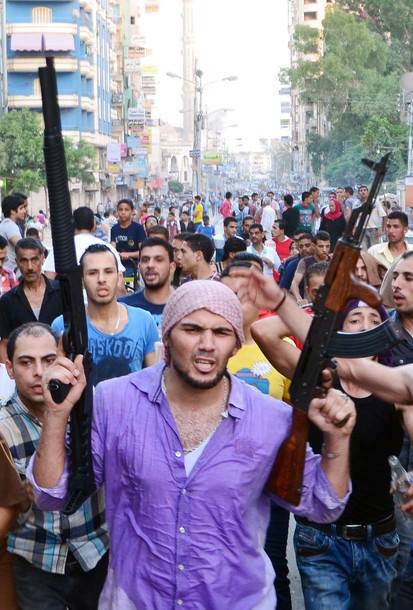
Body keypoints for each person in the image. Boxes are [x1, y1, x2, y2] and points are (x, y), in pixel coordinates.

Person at [29, 279, 355, 609]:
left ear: (236, 345)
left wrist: (338, 438)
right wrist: (56, 414)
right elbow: (51, 494)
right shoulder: (115, 402)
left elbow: (323, 504)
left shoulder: (269, 419)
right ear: (168, 337)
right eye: (192, 329)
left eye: (221, 332)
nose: (207, 344)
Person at [0, 322, 109, 610]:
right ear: (10, 368)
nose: (39, 372)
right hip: (36, 559)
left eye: (48, 360)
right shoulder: (2, 428)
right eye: (26, 362)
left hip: (94, 552)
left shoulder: (92, 412)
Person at [221, 264, 293, 609]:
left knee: (274, 565)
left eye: (242, 295)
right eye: (227, 294)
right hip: (219, 480)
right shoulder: (206, 350)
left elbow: (294, 409)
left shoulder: (278, 347)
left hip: (270, 478)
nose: (234, 303)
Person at [52, 244, 158, 386]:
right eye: (92, 273)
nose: (101, 279)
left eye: (108, 271)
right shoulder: (64, 325)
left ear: (119, 277)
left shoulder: (144, 321)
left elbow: (154, 382)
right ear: (81, 280)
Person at [0, 238, 62, 360]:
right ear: (17, 262)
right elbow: (5, 343)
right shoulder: (8, 301)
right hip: (24, 366)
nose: (29, 267)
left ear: (42, 258)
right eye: (24, 261)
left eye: (34, 260)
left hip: (58, 364)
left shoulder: (61, 292)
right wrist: (8, 370)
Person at [44, 206, 124, 279]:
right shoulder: (108, 248)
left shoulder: (60, 249)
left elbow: (49, 278)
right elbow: (119, 282)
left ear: (72, 225)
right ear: (94, 225)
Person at [119, 238, 175, 333]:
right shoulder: (124, 307)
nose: (150, 265)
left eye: (158, 260)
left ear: (172, 267)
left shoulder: (186, 306)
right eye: (145, 260)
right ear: (139, 266)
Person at [290, 231, 331, 304]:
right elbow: (295, 283)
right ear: (314, 246)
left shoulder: (334, 262)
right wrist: (299, 299)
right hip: (310, 304)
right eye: (321, 246)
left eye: (327, 246)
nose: (324, 250)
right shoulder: (305, 262)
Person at [111, 198, 146, 278]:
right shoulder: (114, 229)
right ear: (117, 211)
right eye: (120, 209)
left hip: (134, 267)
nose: (123, 212)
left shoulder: (138, 228)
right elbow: (113, 248)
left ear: (132, 211)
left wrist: (128, 255)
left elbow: (143, 252)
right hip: (117, 267)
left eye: (126, 210)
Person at [0, 194, 28, 274]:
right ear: (12, 211)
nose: (24, 211)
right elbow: (23, 248)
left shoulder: (4, 224)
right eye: (21, 208)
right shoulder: (10, 226)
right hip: (12, 272)